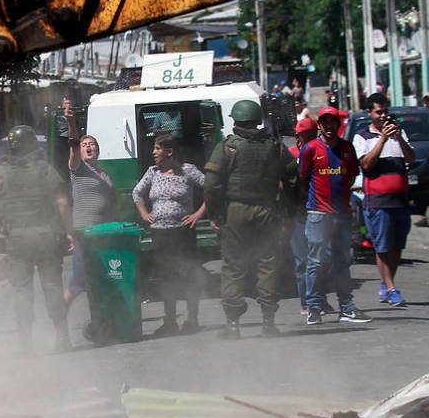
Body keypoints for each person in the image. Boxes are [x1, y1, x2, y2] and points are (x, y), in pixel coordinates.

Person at [204, 100, 298, 339]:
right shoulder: (274, 147)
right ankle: (269, 322)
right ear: (258, 120)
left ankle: (233, 325)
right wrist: (290, 212)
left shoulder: (227, 147)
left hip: (237, 212)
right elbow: (293, 178)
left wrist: (215, 214)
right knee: (268, 264)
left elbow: (212, 183)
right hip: (268, 211)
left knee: (234, 266)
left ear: (235, 121)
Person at [0, 126, 74, 356]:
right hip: (46, 237)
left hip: (17, 240)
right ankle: (62, 338)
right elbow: (62, 204)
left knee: (22, 291)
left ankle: (26, 345)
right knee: (53, 287)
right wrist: (70, 231)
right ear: (33, 145)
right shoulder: (45, 170)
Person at [298, 107, 372, 325]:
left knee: (342, 261)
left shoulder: (347, 149)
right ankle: (314, 307)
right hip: (318, 215)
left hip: (342, 214)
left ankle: (346, 307)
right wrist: (316, 203)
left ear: (338, 125)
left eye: (333, 121)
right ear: (319, 125)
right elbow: (303, 180)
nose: (329, 125)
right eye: (325, 122)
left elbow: (350, 178)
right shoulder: (310, 149)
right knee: (315, 262)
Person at [132, 134, 206, 336]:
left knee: (188, 274)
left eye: (157, 148)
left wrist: (198, 214)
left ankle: (192, 320)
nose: (153, 152)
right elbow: (137, 193)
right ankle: (170, 321)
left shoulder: (187, 170)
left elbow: (211, 188)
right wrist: (144, 214)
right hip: (160, 233)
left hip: (183, 232)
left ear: (169, 151)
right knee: (167, 277)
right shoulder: (153, 172)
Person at [354, 93, 415, 307]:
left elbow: (411, 158)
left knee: (397, 247)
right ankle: (391, 288)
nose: (383, 115)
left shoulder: (400, 133)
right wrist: (382, 139)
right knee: (382, 247)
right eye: (378, 112)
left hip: (400, 200)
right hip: (378, 202)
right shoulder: (362, 137)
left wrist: (397, 137)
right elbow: (367, 165)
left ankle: (387, 283)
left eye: (385, 111)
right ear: (369, 113)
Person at [64, 102, 117, 310]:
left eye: (92, 144)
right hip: (86, 232)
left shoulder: (103, 173)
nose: (88, 147)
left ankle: (102, 321)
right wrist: (71, 122)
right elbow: (73, 144)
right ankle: (59, 316)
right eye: (84, 144)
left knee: (98, 279)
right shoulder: (78, 168)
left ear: (98, 150)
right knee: (78, 281)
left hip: (103, 232)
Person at [288, 118, 320, 314]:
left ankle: (318, 299)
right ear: (297, 137)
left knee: (321, 260)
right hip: (298, 214)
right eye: (305, 136)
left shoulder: (321, 152)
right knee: (302, 261)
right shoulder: (290, 156)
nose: (309, 139)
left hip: (319, 212)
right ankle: (306, 302)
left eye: (312, 135)